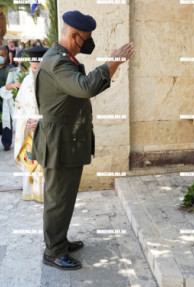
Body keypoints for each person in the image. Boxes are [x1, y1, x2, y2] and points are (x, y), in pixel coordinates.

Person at [32, 10, 133, 270]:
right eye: (85, 38)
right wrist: (113, 62)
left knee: (64, 198)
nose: (87, 43)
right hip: (58, 143)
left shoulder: (63, 58)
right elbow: (86, 86)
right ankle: (53, 252)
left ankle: (60, 241)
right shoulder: (57, 62)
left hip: (66, 141)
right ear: (74, 35)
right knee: (57, 199)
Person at [14, 47, 48, 203]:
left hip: (47, 129)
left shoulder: (52, 81)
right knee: (31, 160)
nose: (35, 70)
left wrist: (40, 122)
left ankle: (46, 194)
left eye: (37, 67)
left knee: (46, 161)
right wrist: (26, 121)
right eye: (33, 67)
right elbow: (19, 106)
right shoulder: (27, 81)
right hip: (29, 130)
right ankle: (31, 192)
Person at [0, 46, 13, 149]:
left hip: (6, 99)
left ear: (7, 56)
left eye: (2, 55)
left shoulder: (10, 69)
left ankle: (7, 143)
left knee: (7, 119)